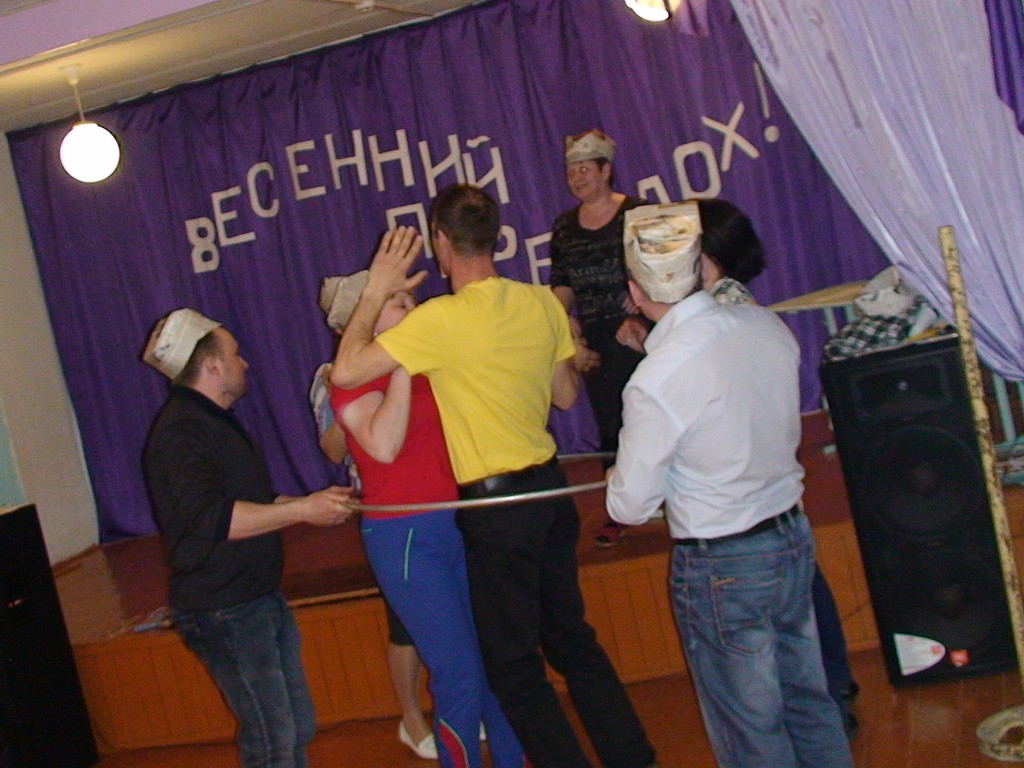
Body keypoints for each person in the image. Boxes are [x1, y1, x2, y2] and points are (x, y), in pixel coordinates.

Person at [331, 184, 658, 768]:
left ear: (440, 243)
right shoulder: (540, 302)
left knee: (513, 668)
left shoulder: (440, 319)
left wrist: (377, 287)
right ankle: (635, 759)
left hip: (499, 510)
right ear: (497, 237)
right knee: (572, 641)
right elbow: (565, 395)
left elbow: (347, 369)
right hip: (551, 493)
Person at [605, 201, 854, 768]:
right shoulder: (764, 325)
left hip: (722, 560)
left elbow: (630, 504)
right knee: (810, 702)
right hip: (792, 536)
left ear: (636, 291)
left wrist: (618, 475)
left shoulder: (657, 378)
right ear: (701, 269)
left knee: (750, 731)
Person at [314, 272, 521, 768]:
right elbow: (383, 446)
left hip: (461, 521)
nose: (412, 308)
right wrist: (405, 362)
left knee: (496, 660)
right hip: (405, 535)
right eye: (398, 303)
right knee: (458, 672)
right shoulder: (349, 379)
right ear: (366, 320)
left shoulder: (430, 364)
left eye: (411, 299)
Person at [141, 308, 353, 768]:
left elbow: (246, 501)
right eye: (236, 355)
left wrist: (310, 504)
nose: (245, 363)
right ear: (213, 366)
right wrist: (302, 510)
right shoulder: (182, 431)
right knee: (272, 741)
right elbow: (215, 519)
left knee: (295, 727)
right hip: (226, 608)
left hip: (254, 598)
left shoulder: (210, 420)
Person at [309, 357, 437, 760]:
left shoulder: (418, 352)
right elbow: (332, 449)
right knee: (405, 622)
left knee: (460, 608)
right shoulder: (334, 373)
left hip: (438, 494)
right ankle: (411, 718)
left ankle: (462, 708)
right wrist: (364, 399)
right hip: (388, 509)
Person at [549, 128, 649, 548]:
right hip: (596, 337)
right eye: (571, 170)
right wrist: (562, 324)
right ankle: (620, 509)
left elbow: (664, 272)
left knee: (654, 415)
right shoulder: (565, 226)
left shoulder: (639, 213)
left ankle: (675, 494)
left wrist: (642, 313)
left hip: (643, 329)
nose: (576, 178)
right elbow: (561, 284)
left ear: (606, 170)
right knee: (611, 426)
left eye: (584, 169)